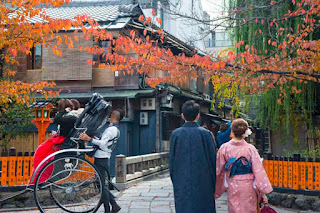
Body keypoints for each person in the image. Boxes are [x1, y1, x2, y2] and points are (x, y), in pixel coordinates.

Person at [215, 118, 272, 213]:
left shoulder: (224, 148)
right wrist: (262, 191)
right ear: (245, 132)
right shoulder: (251, 149)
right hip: (248, 185)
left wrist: (217, 187)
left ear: (232, 131)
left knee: (234, 209)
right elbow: (258, 171)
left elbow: (219, 169)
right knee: (248, 209)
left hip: (232, 184)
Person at [169, 100, 216, 213]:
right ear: (198, 116)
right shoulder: (206, 134)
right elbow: (213, 160)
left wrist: (175, 179)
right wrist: (213, 182)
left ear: (183, 116)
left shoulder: (176, 134)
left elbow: (172, 161)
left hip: (182, 179)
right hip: (204, 180)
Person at [80, 109, 124, 213]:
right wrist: (95, 138)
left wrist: (89, 139)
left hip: (101, 157)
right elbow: (104, 141)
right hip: (104, 156)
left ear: (113, 116)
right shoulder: (115, 129)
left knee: (101, 184)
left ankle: (111, 207)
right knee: (101, 184)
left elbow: (103, 144)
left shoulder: (111, 129)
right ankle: (111, 207)